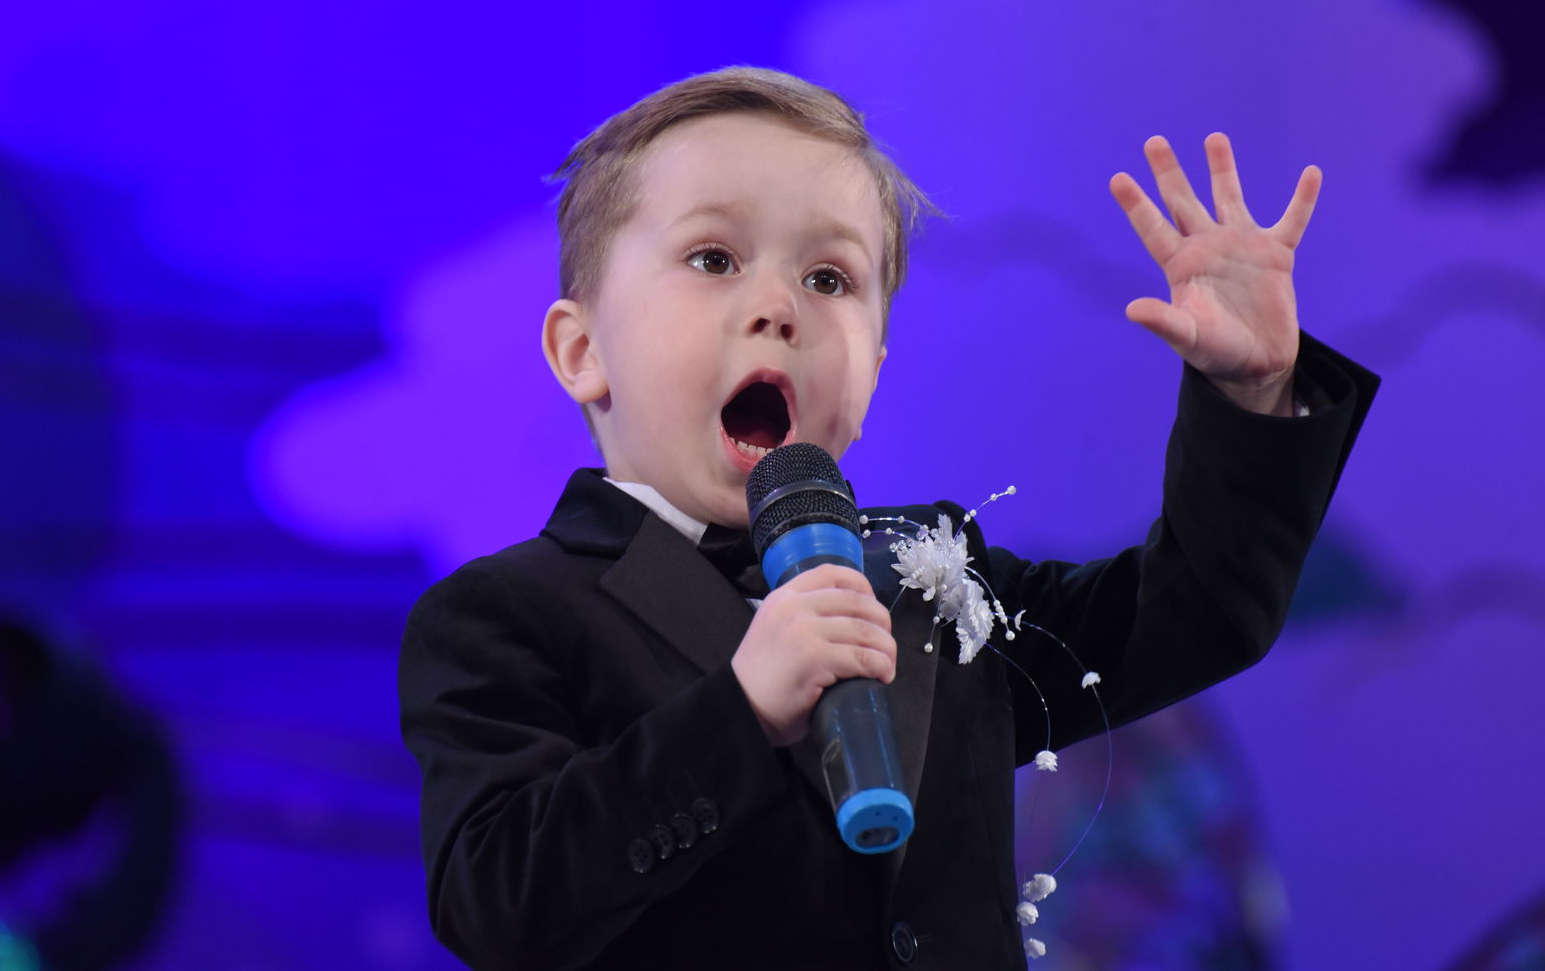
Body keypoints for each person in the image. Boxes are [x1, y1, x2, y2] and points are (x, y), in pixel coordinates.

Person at [398, 67, 1377, 969]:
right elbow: (497, 899)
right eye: (713, 257)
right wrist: (739, 713)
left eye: (828, 279)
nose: (778, 306)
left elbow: (1197, 612)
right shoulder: (505, 616)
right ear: (582, 353)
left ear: (872, 371)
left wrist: (1253, 394)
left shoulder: (930, 574)